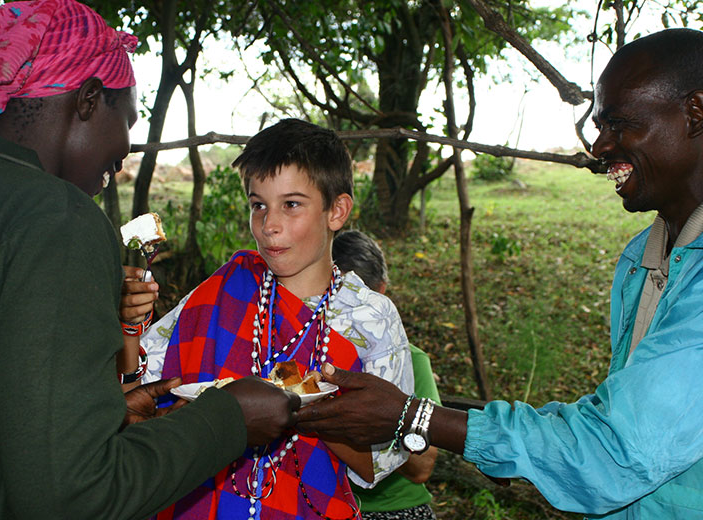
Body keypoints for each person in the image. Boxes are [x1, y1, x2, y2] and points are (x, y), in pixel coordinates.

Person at [0, 2, 299, 518]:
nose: (127, 148)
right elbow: (73, 497)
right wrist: (228, 418)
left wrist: (98, 415)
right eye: (128, 119)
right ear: (89, 100)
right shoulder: (57, 216)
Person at [297, 27, 703, 519]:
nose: (599, 146)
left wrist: (416, 416)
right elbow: (618, 414)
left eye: (620, 124)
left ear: (695, 113)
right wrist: (498, 439)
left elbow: (617, 455)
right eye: (600, 125)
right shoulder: (644, 257)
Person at [137, 119, 415, 519]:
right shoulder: (224, 289)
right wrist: (130, 327)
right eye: (258, 205)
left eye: (292, 204)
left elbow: (380, 461)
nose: (269, 225)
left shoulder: (370, 317)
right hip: (203, 503)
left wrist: (301, 405)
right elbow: (146, 380)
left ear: (336, 210)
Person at [332, 230, 440, 520]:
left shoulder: (410, 360)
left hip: (393, 510)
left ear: (380, 297)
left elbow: (422, 466)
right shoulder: (296, 354)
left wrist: (370, 415)